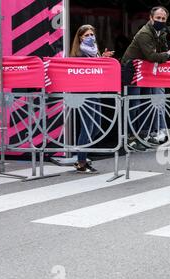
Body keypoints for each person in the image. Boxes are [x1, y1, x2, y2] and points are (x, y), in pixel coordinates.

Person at [121, 6, 170, 151]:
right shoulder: (144, 33)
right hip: (133, 71)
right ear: (151, 18)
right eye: (158, 18)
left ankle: (143, 136)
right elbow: (152, 56)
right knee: (134, 105)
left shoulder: (162, 33)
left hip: (147, 72)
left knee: (146, 103)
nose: (161, 21)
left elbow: (161, 53)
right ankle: (129, 137)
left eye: (163, 18)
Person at [70, 24, 114, 173]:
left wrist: (102, 58)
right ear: (80, 37)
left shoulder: (94, 51)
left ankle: (82, 156)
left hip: (96, 91)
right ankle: (81, 162)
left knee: (96, 127)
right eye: (86, 35)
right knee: (87, 128)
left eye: (91, 34)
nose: (90, 37)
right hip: (85, 93)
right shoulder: (79, 53)